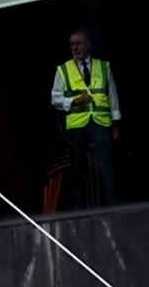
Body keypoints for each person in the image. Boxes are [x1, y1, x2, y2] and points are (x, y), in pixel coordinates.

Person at [50, 29, 120, 207]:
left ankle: (112, 206)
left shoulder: (104, 67)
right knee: (77, 169)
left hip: (100, 122)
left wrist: (117, 125)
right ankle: (79, 210)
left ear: (88, 45)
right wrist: (73, 101)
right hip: (77, 126)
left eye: (78, 43)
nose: (75, 48)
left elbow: (112, 97)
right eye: (72, 44)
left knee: (106, 167)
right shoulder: (63, 69)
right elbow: (55, 99)